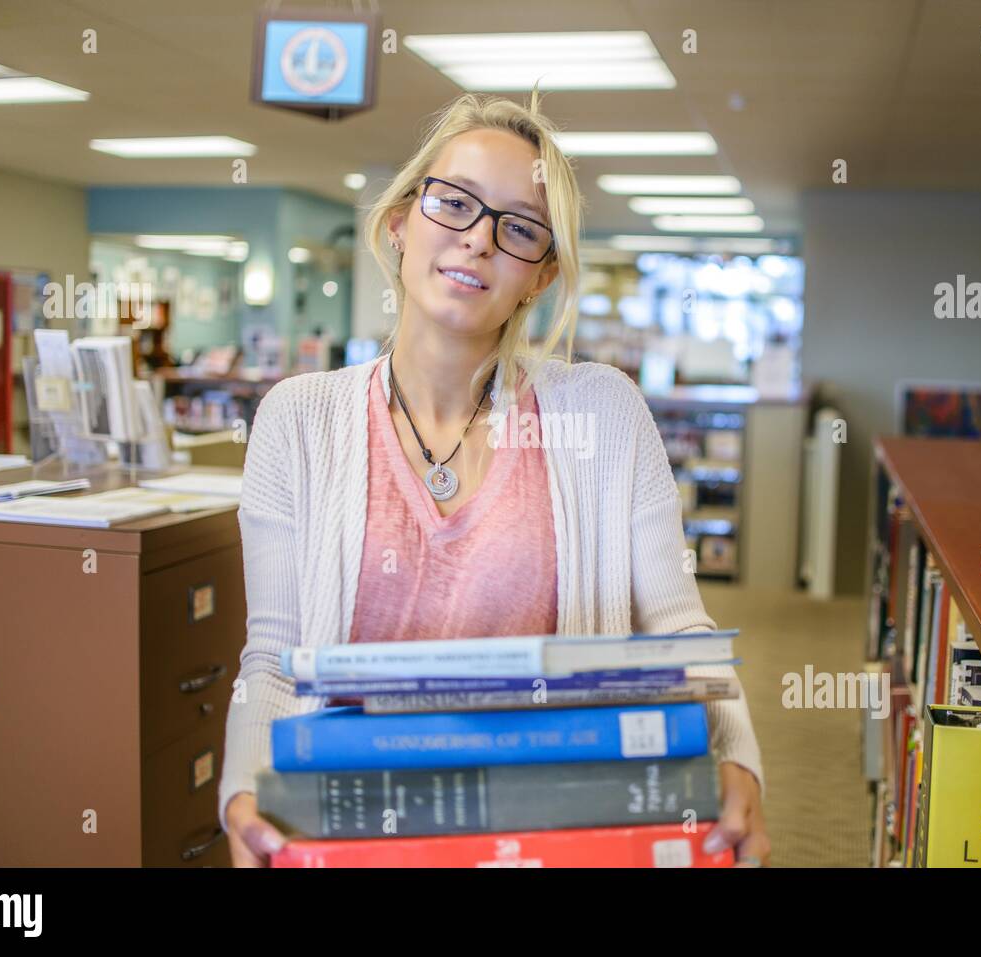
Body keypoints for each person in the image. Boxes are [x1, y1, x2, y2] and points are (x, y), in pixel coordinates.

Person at [219, 89, 771, 867]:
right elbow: (271, 656)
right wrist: (243, 791)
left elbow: (679, 628)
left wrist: (739, 757)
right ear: (399, 222)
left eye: (517, 228)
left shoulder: (604, 414)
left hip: (559, 832)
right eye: (454, 203)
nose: (477, 240)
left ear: (539, 276)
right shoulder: (297, 420)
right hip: (354, 834)